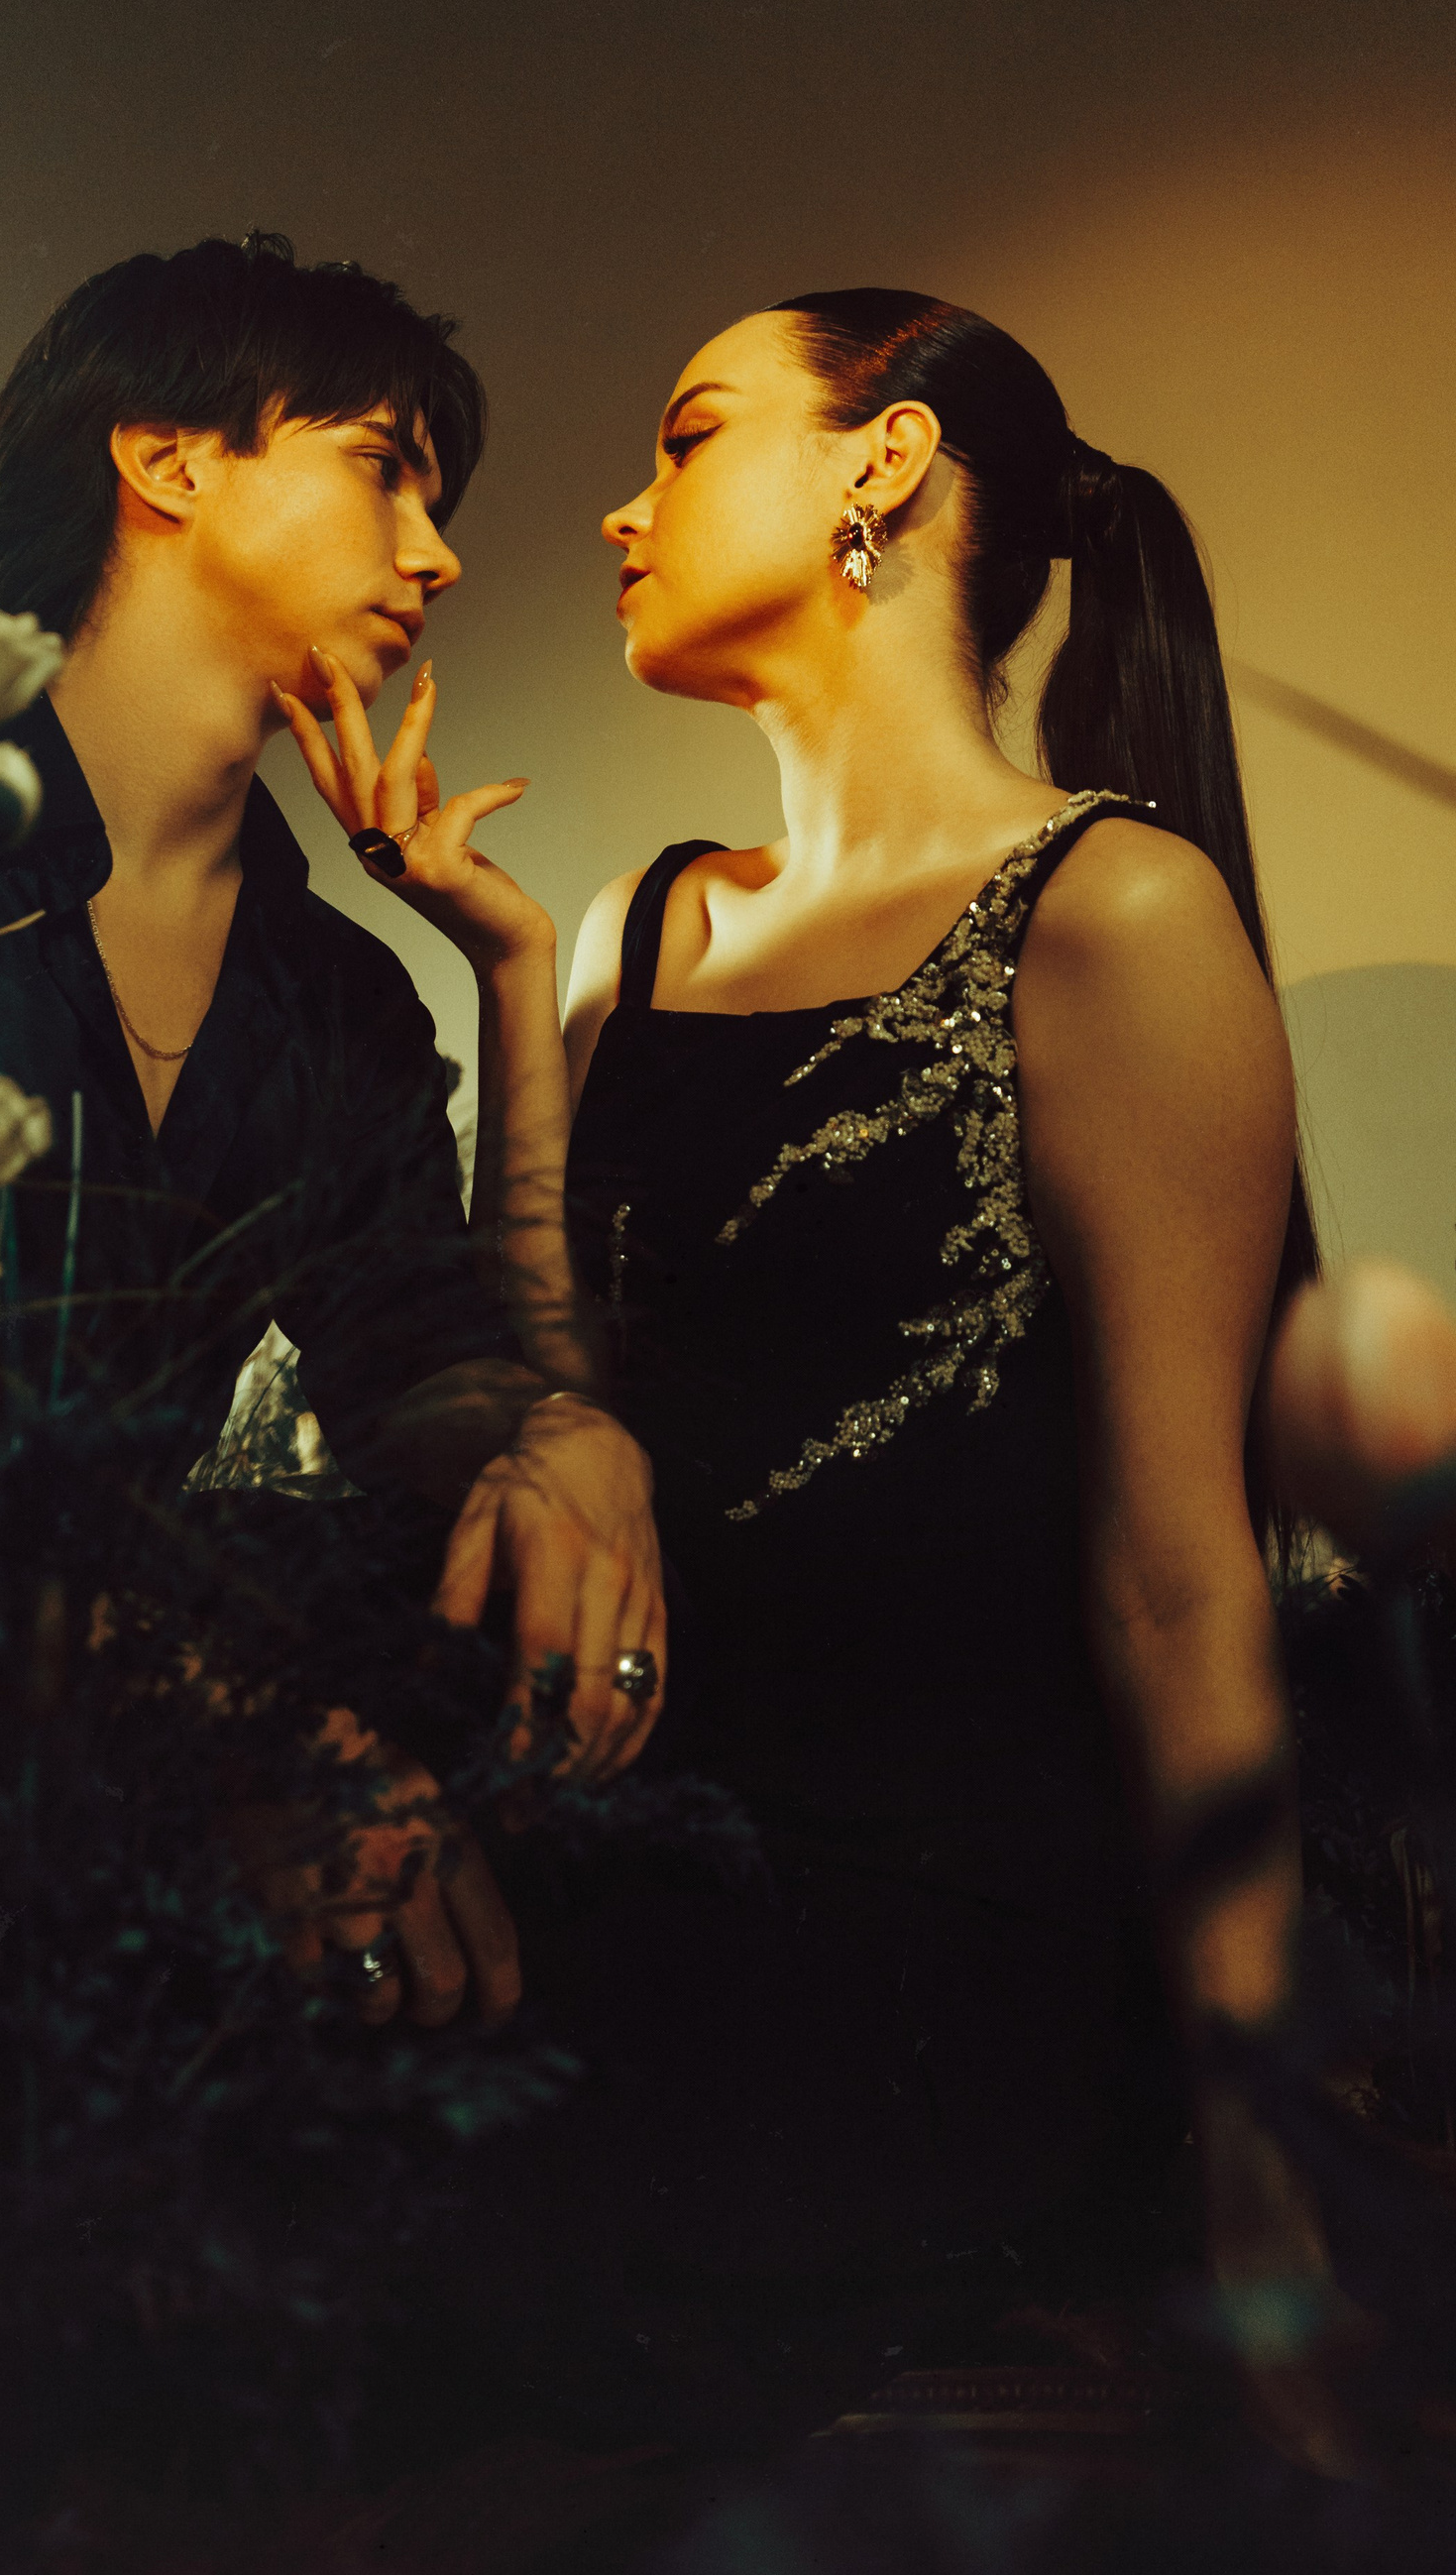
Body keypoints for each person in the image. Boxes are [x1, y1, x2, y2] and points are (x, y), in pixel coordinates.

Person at [283, 286, 1343, 2453]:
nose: (621, 506)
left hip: (923, 1935)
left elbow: (1181, 1580)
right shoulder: (644, 923)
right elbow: (562, 1405)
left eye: (687, 436)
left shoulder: (1112, 912)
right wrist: (505, 968)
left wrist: (1266, 2172)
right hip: (626, 1860)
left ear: (887, 462)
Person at [0, 233, 667, 2038]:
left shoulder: (335, 994)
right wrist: (242, 1729)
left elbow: (414, 1360)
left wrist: (559, 1432)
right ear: (166, 463)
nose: (439, 553)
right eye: (382, 467)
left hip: (111, 1892)